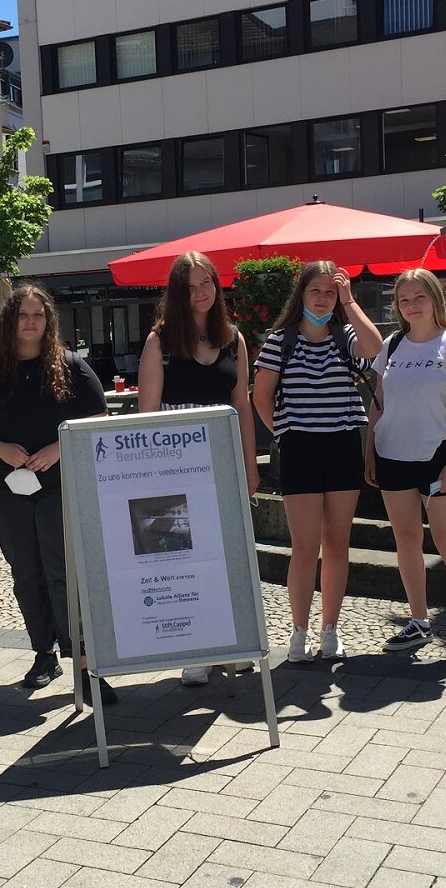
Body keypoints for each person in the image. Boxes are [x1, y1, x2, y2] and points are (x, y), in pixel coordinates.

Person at [0, 284, 116, 703]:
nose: (30, 322)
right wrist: (2, 451)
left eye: (38, 315)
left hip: (59, 486)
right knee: (26, 573)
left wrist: (59, 447)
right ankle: (43, 653)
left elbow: (100, 419)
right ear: (9, 322)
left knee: (65, 572)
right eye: (23, 315)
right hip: (6, 490)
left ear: (49, 322)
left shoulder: (71, 366)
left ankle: (84, 665)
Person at [137, 251, 261, 686]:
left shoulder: (234, 339)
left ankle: (234, 643)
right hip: (175, 468)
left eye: (206, 282)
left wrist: (250, 465)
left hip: (222, 463)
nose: (201, 292)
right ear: (177, 293)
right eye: (190, 286)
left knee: (228, 556)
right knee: (184, 560)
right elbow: (148, 413)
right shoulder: (161, 342)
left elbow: (242, 407)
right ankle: (194, 648)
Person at [253, 261, 383, 665]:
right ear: (302, 295)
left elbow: (375, 348)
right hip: (300, 451)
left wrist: (350, 301)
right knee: (305, 547)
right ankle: (299, 631)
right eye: (316, 291)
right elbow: (260, 396)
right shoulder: (280, 341)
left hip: (343, 445)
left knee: (337, 544)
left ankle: (331, 629)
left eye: (331, 291)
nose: (323, 298)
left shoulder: (346, 337)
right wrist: (285, 432)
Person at [365, 269, 446, 663]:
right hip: (392, 455)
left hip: (439, 456)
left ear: (436, 298)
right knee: (406, 540)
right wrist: (369, 450)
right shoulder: (392, 345)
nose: (412, 305)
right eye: (404, 299)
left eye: (419, 297)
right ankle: (418, 620)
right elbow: (378, 403)